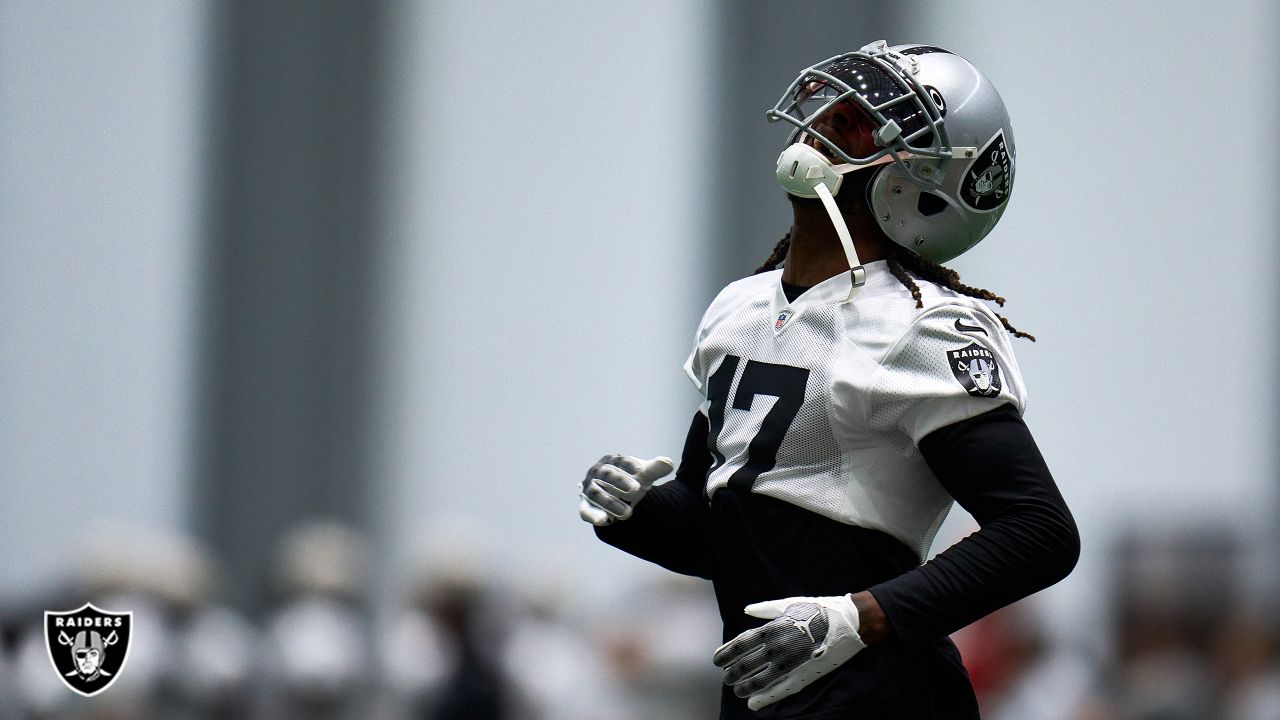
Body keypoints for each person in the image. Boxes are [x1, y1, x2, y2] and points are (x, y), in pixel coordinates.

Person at [578, 40, 1079, 719]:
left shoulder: (920, 326)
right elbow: (714, 536)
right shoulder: (740, 309)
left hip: (882, 696)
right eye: (840, 105)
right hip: (767, 691)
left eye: (861, 120)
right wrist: (633, 514)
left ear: (924, 185)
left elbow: (1038, 530)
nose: (830, 119)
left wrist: (858, 617)